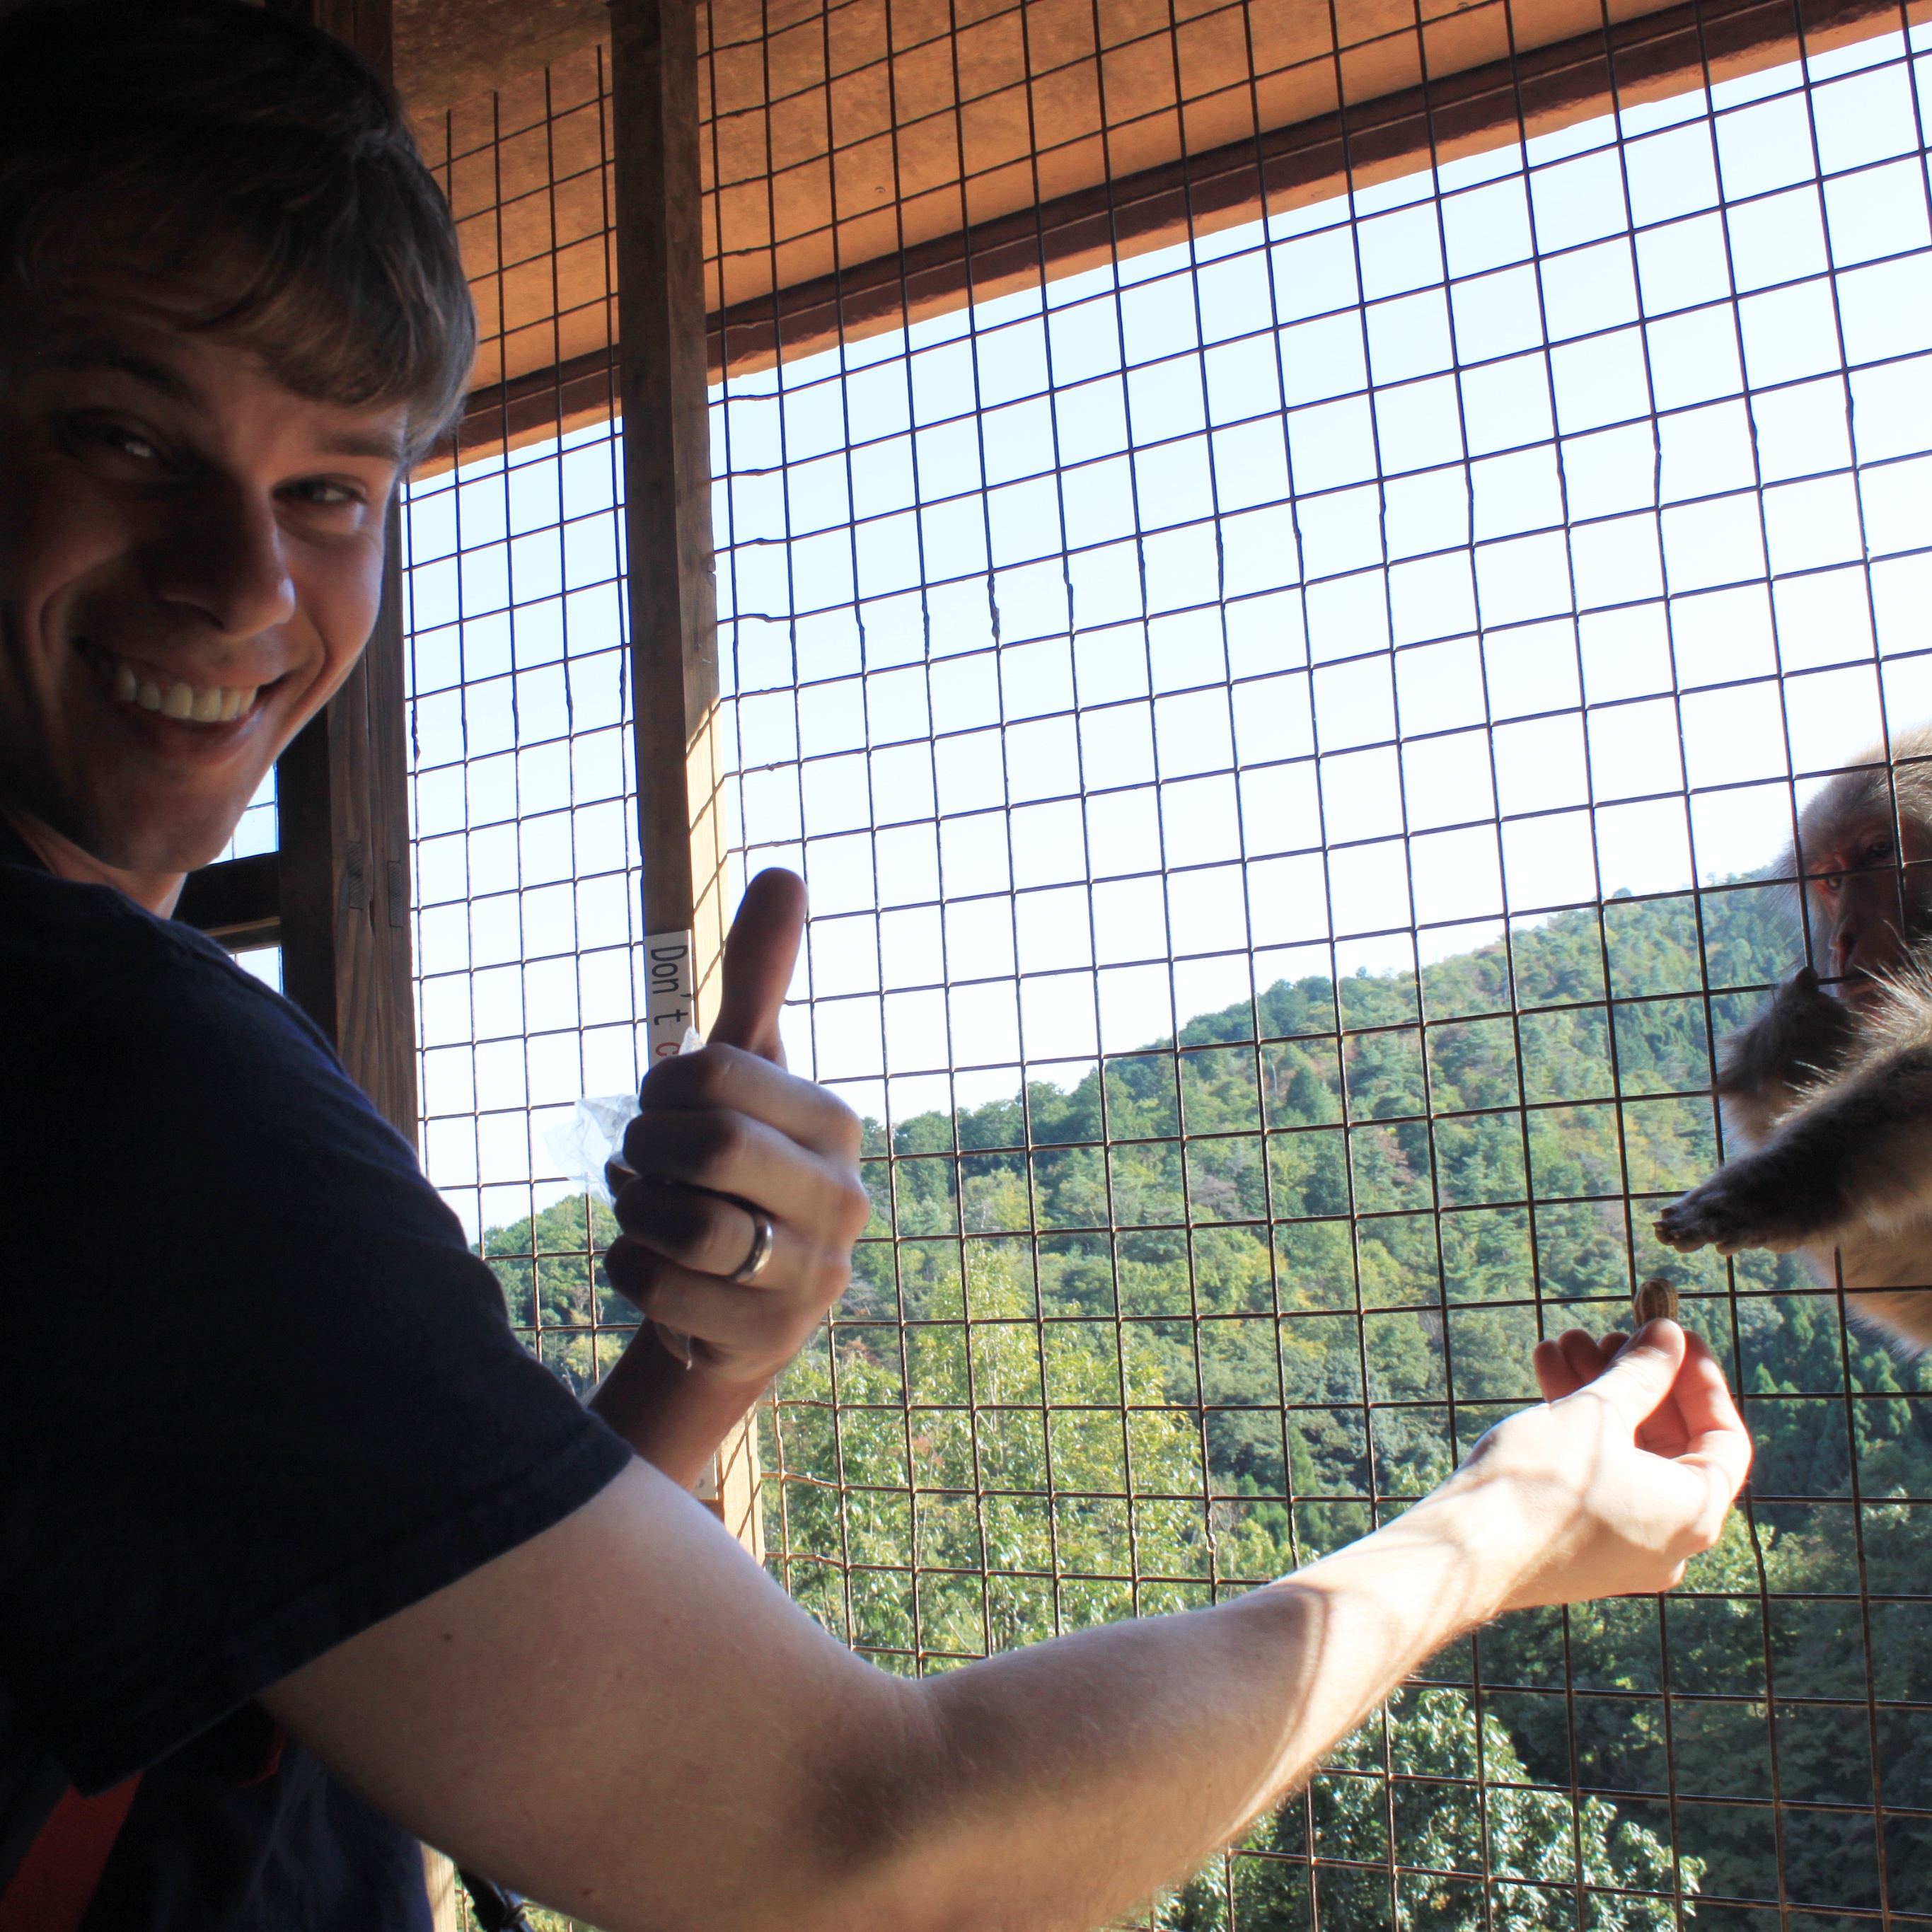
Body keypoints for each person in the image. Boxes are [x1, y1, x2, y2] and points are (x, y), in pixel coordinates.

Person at [0, 1, 1753, 1926]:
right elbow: (873, 1848)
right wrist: (1507, 1520)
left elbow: (404, 1685)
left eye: (333, 489)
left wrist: (685, 1375)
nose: (246, 577)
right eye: (125, 433)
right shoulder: (105, 1072)